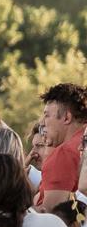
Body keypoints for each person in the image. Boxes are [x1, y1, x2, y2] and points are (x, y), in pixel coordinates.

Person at [37, 83, 87, 211]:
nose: (42, 122)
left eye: (47, 115)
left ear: (66, 118)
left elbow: (50, 217)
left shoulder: (64, 154)